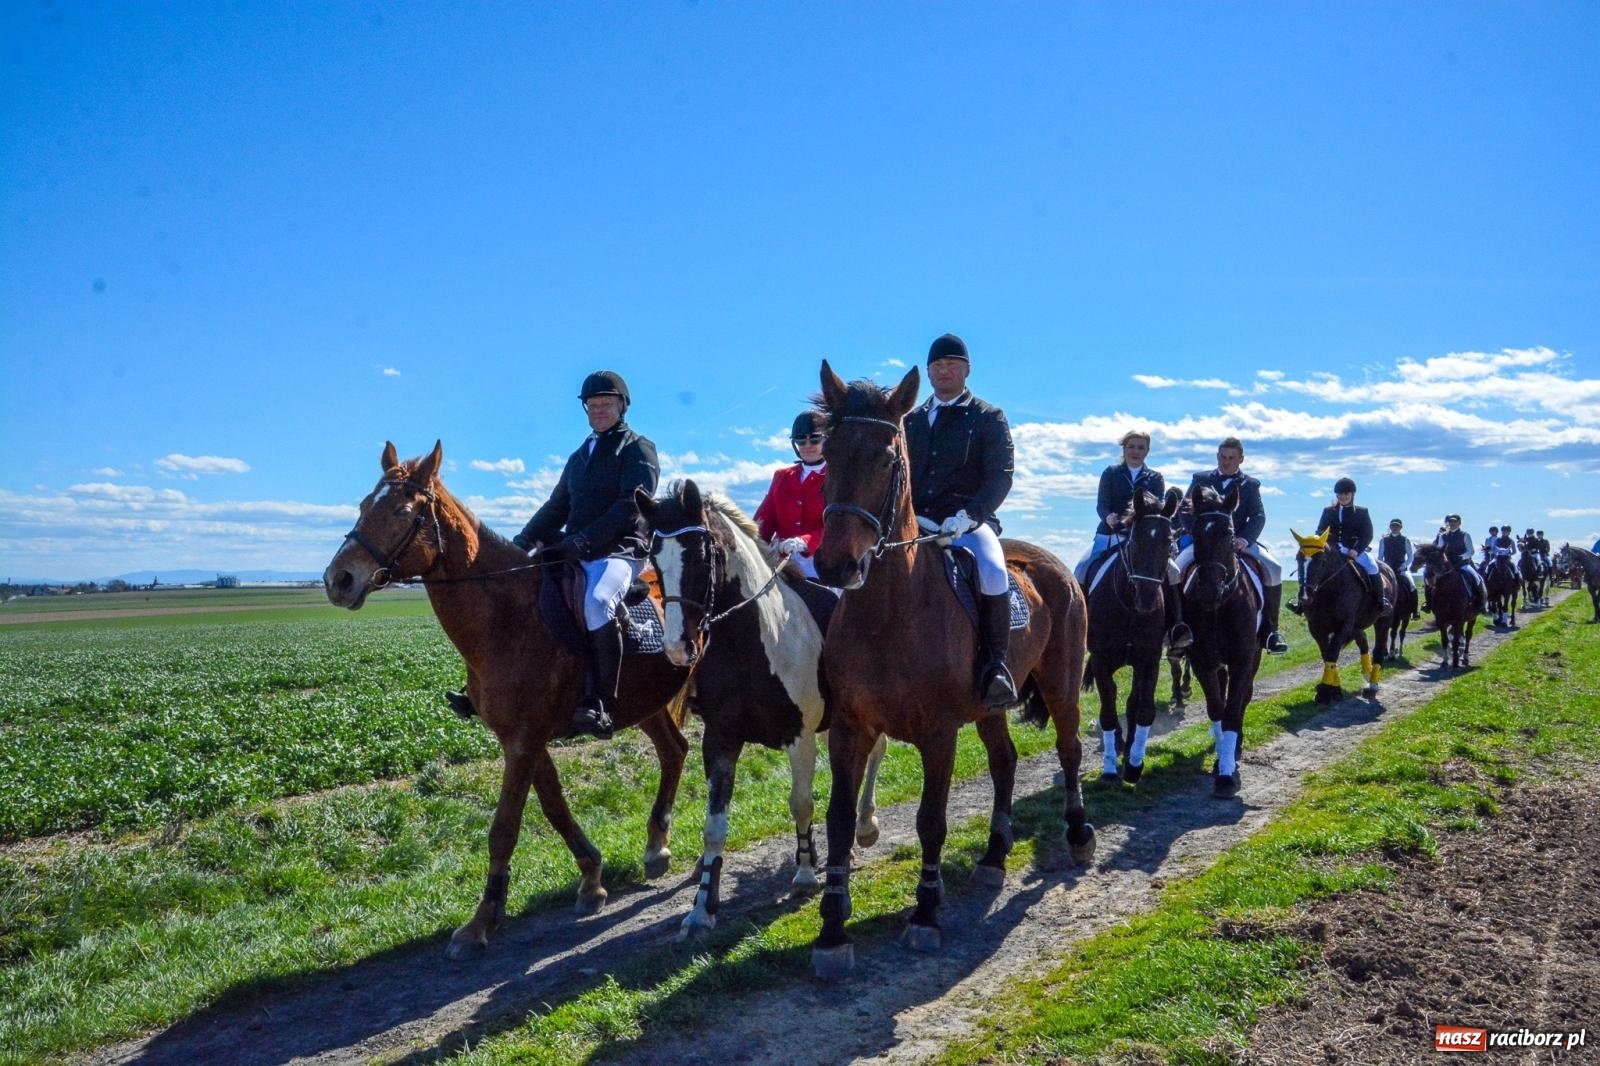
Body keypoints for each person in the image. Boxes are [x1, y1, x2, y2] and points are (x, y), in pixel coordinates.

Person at [510, 371, 660, 739]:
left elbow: (630, 507)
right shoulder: (580, 456)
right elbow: (557, 505)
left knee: (597, 602)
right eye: (592, 406)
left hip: (621, 551)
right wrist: (521, 541)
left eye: (606, 404)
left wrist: (582, 543)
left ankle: (602, 703)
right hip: (576, 549)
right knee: (522, 595)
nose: (599, 411)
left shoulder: (638, 448)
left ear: (622, 406)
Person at [904, 332, 1018, 708]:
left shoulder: (988, 417)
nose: (944, 371)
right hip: (916, 523)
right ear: (928, 372)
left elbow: (1000, 475)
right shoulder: (910, 421)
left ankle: (995, 667)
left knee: (992, 569)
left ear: (967, 370)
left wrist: (969, 516)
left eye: (952, 364)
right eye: (937, 366)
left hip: (968, 523)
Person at [1076, 430, 1191, 652]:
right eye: (1131, 447)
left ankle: (1176, 627)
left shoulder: (1155, 478)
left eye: (1140, 447)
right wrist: (1107, 516)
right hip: (1110, 534)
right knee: (1081, 569)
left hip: (1142, 541)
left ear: (1147, 451)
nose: (1135, 451)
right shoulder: (1110, 473)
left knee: (1174, 572)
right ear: (1124, 449)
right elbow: (1102, 504)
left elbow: (1156, 507)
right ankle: (1078, 625)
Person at [1174, 437, 1288, 652]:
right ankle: (1178, 628)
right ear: (1218, 456)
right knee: (1176, 569)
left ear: (1241, 459)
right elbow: (1185, 510)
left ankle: (1271, 630)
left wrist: (1245, 539)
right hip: (1205, 543)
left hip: (1239, 542)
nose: (1226, 462)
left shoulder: (1250, 484)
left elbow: (1258, 516)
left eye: (1231, 458)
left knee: (1274, 568)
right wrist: (1197, 534)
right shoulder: (1200, 479)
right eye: (1223, 457)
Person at [754, 411, 829, 579]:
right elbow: (764, 520)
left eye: (815, 439)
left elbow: (840, 526)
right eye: (801, 440)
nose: (807, 445)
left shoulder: (836, 476)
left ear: (826, 440)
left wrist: (805, 542)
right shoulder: (782, 476)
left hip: (821, 563)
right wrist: (753, 543)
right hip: (782, 564)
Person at [1295, 477, 1388, 612]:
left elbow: (1367, 534)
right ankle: (1302, 602)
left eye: (1346, 494)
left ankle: (1381, 601)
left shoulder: (1362, 512)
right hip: (1332, 550)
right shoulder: (1328, 511)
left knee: (1373, 567)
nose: (1343, 497)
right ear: (1337, 495)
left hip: (1354, 550)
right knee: (1312, 566)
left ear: (1352, 495)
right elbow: (1320, 531)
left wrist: (1356, 550)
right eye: (1340, 494)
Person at [1436, 514, 1487, 614]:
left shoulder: (1465, 535)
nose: (1452, 523)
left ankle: (1481, 603)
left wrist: (1461, 556)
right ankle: (1430, 604)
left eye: (1455, 521)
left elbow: (1471, 551)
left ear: (1459, 523)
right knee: (1432, 580)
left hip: (1462, 564)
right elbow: (1439, 550)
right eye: (1450, 522)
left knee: (1476, 578)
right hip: (1447, 566)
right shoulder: (1443, 536)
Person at [1377, 518, 1420, 620]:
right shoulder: (1383, 540)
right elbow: (1380, 557)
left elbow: (1410, 557)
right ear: (1390, 527)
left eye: (1397, 526)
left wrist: (1404, 565)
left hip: (1401, 568)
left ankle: (1415, 611)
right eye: (1392, 526)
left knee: (1412, 586)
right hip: (1387, 568)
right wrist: (1384, 566)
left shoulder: (1405, 540)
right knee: (1378, 585)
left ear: (1400, 527)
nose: (1394, 528)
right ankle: (1377, 607)